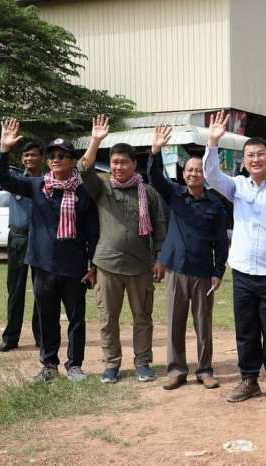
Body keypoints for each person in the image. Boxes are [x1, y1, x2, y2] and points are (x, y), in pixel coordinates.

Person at [203, 110, 266, 406]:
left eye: (260, 154)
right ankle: (249, 380)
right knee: (246, 330)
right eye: (250, 155)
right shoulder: (237, 186)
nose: (255, 159)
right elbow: (211, 176)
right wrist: (213, 143)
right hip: (243, 273)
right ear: (244, 160)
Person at [0, 119, 99, 383]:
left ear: (73, 161)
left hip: (74, 266)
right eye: (51, 156)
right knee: (47, 317)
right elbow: (1, 178)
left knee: (76, 318)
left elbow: (93, 231)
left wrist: (94, 265)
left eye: (62, 156)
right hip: (43, 264)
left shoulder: (83, 191)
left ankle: (74, 365)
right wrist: (4, 149)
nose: (55, 159)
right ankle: (49, 366)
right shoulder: (36, 185)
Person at [78, 115, 166, 384]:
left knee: (143, 317)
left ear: (134, 164)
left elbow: (159, 226)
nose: (119, 166)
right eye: (114, 162)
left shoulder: (148, 192)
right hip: (107, 264)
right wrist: (96, 140)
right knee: (108, 318)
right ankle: (111, 364)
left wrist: (159, 257)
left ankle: (143, 362)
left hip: (140, 265)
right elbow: (84, 169)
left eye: (124, 162)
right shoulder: (102, 188)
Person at [147, 124, 229, 390]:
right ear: (183, 174)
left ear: (206, 175)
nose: (194, 173)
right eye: (190, 170)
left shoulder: (215, 204)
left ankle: (204, 370)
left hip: (203, 272)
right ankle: (176, 370)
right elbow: (154, 177)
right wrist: (155, 151)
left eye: (199, 170)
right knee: (175, 324)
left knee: (203, 325)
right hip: (175, 271)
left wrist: (218, 271)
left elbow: (221, 241)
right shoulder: (175, 194)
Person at [0, 142, 43, 352]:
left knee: (42, 289)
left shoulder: (49, 180)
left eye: (34, 155)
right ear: (21, 159)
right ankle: (11, 337)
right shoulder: (14, 178)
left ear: (42, 158)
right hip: (18, 238)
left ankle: (42, 337)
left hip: (41, 239)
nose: (29, 158)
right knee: (15, 289)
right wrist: (3, 146)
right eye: (26, 155)